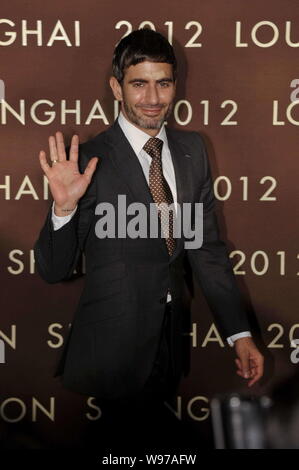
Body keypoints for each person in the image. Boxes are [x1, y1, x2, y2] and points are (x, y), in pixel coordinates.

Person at [34, 29, 264, 451]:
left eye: (163, 82)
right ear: (116, 88)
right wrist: (64, 209)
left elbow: (207, 252)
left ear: (176, 84)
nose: (153, 98)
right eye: (139, 83)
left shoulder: (193, 149)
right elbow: (53, 269)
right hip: (112, 350)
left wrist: (239, 334)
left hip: (170, 345)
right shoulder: (87, 160)